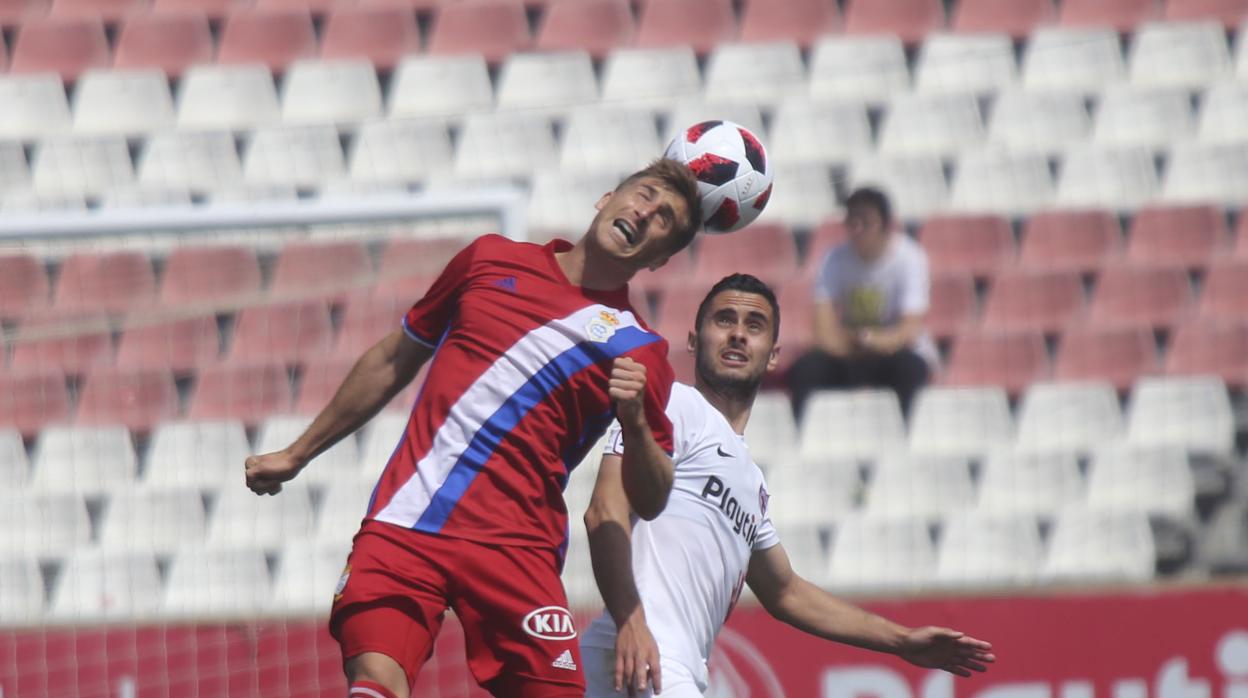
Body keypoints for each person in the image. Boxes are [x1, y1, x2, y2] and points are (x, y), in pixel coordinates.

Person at [243, 158, 704, 698]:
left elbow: (649, 499)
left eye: (665, 219)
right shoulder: (488, 259)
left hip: (518, 549)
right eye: (643, 195)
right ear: (607, 198)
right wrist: (298, 454)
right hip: (408, 522)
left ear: (661, 258)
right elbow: (395, 358)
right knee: (373, 685)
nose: (646, 212)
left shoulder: (641, 352)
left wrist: (636, 425)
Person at [581, 273, 994, 697]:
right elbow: (604, 511)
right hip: (643, 656)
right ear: (693, 340)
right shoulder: (674, 405)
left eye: (754, 325)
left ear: (774, 355)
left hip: (663, 664)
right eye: (724, 320)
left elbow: (786, 591)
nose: (738, 334)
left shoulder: (751, 481)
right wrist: (631, 622)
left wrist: (901, 640)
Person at [786, 187, 937, 420]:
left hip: (895, 353)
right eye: (851, 222)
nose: (857, 230)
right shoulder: (833, 258)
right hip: (850, 352)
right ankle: (805, 433)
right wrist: (854, 344)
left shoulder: (910, 257)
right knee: (806, 370)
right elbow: (822, 329)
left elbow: (909, 330)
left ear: (886, 226)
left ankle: (906, 434)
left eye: (866, 222)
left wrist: (869, 340)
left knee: (910, 369)